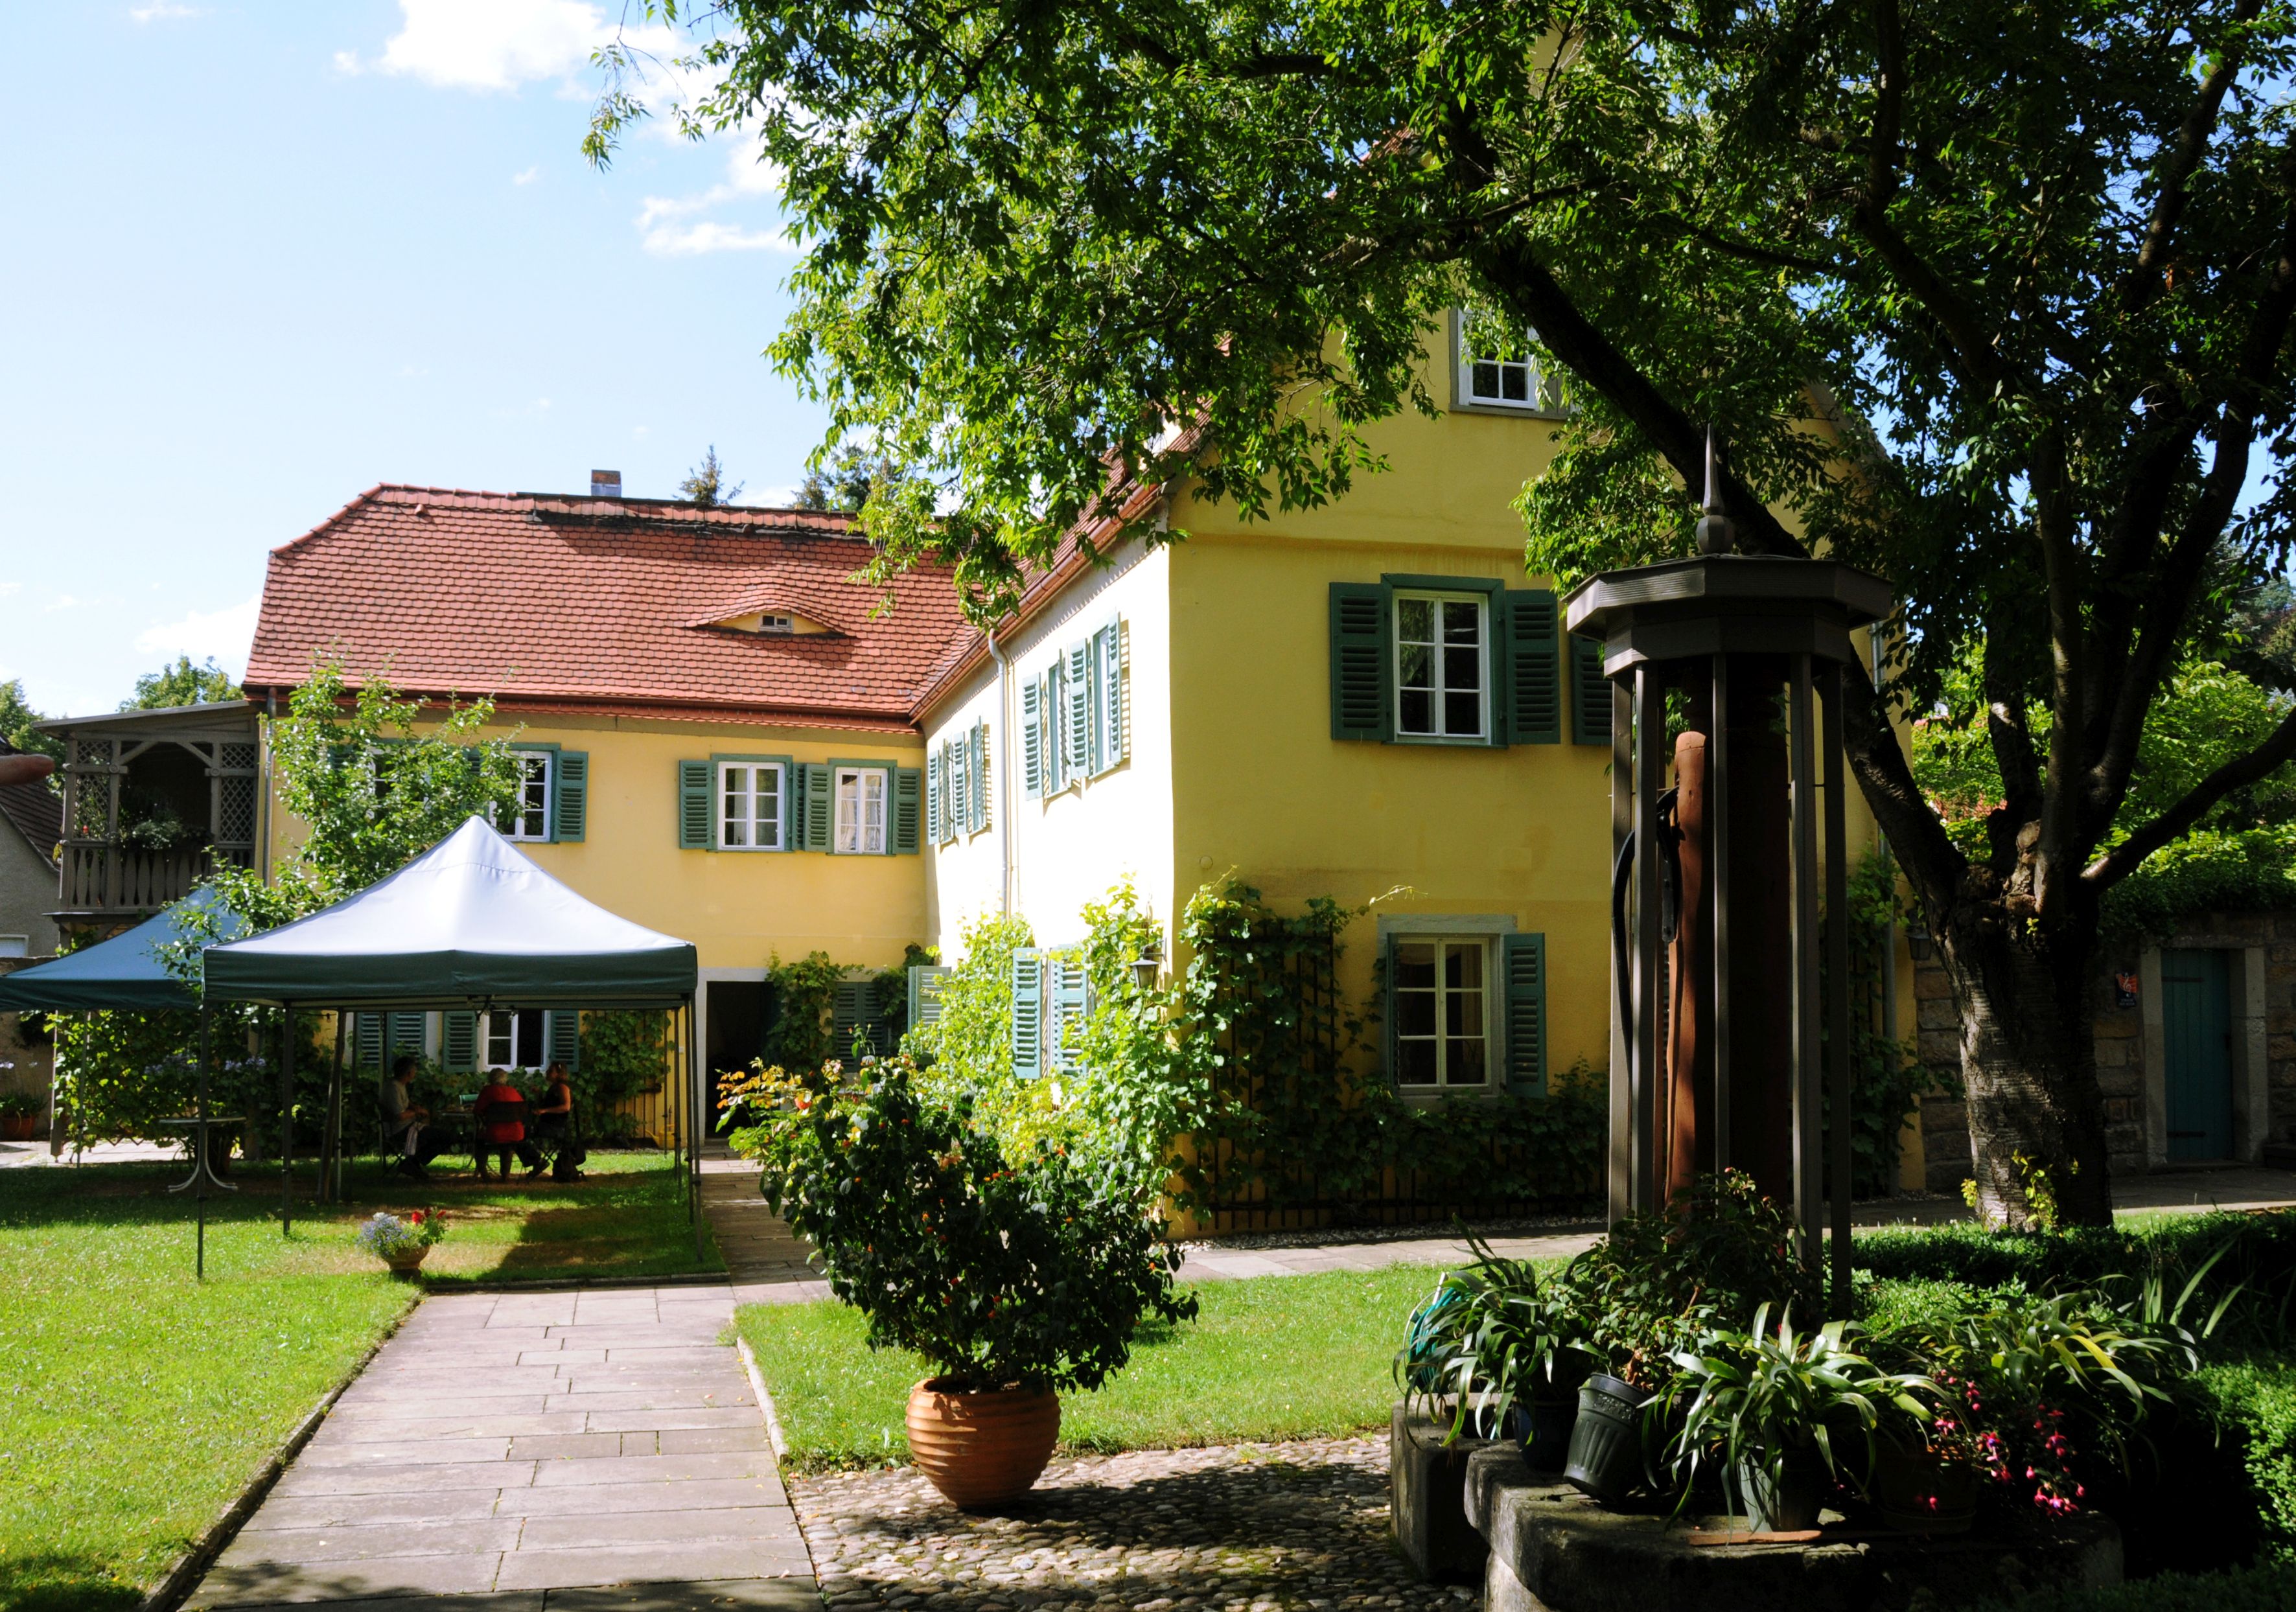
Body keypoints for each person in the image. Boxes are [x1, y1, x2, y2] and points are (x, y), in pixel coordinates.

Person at [379, 1055, 450, 1179]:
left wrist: (414, 1107)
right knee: (447, 1137)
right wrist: (417, 1112)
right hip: (400, 1130)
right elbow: (400, 1115)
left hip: (407, 1126)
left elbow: (405, 1103)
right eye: (414, 1070)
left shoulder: (400, 1085)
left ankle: (411, 1163)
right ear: (409, 1072)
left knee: (441, 1136)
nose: (416, 1072)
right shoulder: (393, 1088)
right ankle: (411, 1164)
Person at [473, 1073, 544, 1180]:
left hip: (494, 1133)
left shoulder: (487, 1091)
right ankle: (505, 1176)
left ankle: (484, 1174)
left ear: (490, 1079)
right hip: (516, 1133)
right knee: (508, 1145)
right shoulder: (512, 1091)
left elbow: (477, 1110)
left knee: (479, 1142)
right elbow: (523, 1110)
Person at [532, 1061, 583, 1181]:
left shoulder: (562, 1087)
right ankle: (537, 1161)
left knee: (524, 1133)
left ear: (558, 1074)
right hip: (550, 1125)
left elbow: (566, 1107)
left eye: (551, 1071)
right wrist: (539, 1095)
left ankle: (537, 1161)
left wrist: (545, 1111)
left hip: (555, 1128)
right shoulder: (554, 1087)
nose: (547, 1073)